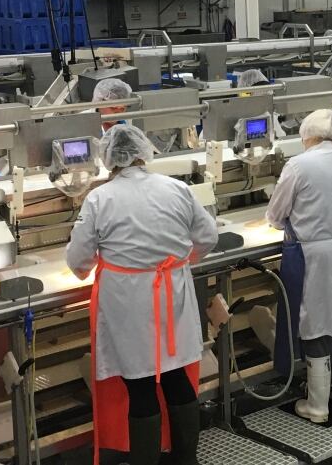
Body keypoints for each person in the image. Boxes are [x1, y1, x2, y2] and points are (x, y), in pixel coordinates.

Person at [66, 124, 219, 465]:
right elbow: (208, 237)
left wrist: (90, 269)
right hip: (173, 292)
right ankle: (185, 459)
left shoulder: (100, 198)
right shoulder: (176, 188)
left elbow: (78, 259)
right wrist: (178, 263)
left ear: (109, 159)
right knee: (177, 374)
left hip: (127, 300)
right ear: (142, 151)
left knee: (140, 383)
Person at [266, 109, 332, 424]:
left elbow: (275, 215)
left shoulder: (299, 165)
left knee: (315, 324)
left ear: (306, 136)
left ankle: (317, 406)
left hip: (316, 254)